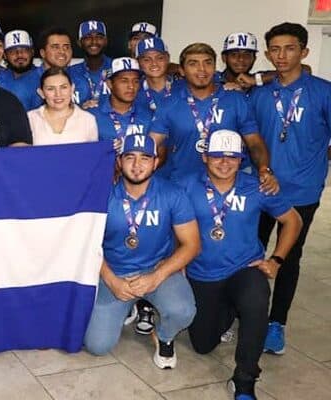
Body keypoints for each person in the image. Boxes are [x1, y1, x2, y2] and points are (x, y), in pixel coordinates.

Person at [177, 130, 302, 400]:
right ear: (204, 157)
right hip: (202, 274)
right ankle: (231, 309)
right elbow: (170, 225)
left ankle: (245, 379)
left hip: (244, 268)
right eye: (217, 156)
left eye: (232, 157)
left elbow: (293, 221)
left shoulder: (257, 186)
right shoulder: (186, 185)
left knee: (256, 298)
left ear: (241, 158)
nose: (224, 162)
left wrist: (276, 261)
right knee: (202, 344)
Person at [248, 22, 331, 355]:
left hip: (302, 191)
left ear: (304, 52)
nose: (282, 55)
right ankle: (245, 312)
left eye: (290, 48)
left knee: (288, 257)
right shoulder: (260, 94)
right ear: (268, 54)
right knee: (250, 251)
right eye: (275, 49)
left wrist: (318, 162)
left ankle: (275, 322)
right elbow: (250, 141)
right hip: (261, 187)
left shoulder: (324, 92)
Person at [83, 134, 199, 369]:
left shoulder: (172, 194)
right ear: (119, 161)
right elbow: (87, 244)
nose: (137, 165)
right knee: (97, 345)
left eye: (145, 158)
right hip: (115, 271)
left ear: (156, 162)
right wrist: (111, 280)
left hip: (156, 269)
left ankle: (164, 336)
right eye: (130, 157)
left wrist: (156, 277)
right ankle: (133, 305)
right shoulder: (101, 195)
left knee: (184, 311)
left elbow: (192, 244)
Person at [149, 43, 276, 192]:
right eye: (193, 64)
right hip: (182, 186)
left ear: (215, 67)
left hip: (226, 187)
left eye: (207, 63)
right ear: (182, 71)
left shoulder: (236, 99)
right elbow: (152, 145)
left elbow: (254, 142)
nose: (202, 69)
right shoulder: (169, 103)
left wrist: (264, 169)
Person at [89, 57, 154, 153]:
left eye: (136, 81)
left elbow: (158, 152)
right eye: (124, 80)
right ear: (110, 84)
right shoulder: (91, 116)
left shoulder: (149, 115)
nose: (131, 86)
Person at [27, 67, 97, 145]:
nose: (58, 94)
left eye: (63, 87)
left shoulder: (88, 120)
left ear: (72, 89)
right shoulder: (30, 119)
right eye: (50, 89)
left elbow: (92, 154)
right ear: (41, 93)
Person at [69, 20, 112, 106]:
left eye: (99, 37)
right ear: (79, 43)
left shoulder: (117, 69)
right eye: (88, 37)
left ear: (106, 41)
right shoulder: (69, 73)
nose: (94, 42)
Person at [0, 30, 42, 111]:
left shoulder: (44, 76)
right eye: (12, 51)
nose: (19, 54)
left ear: (32, 52)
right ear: (5, 55)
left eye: (24, 50)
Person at [135, 37, 182, 113]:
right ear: (138, 62)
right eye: (147, 60)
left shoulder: (181, 87)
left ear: (168, 59)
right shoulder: (133, 91)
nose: (154, 63)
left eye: (160, 58)